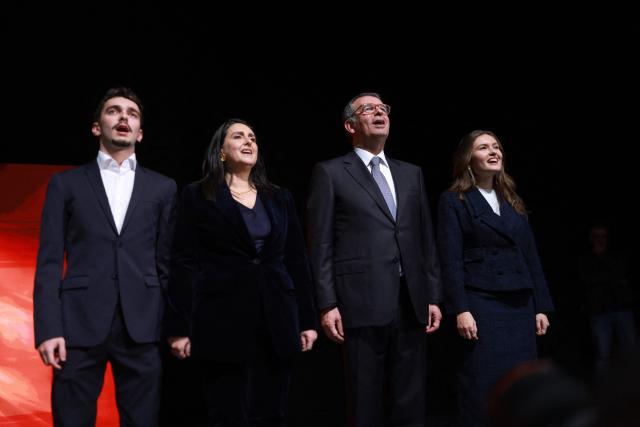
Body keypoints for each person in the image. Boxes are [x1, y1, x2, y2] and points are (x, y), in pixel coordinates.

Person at [33, 87, 177, 426]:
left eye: (132, 113)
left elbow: (167, 262)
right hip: (77, 325)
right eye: (114, 111)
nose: (123, 117)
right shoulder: (65, 184)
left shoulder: (163, 187)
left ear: (140, 133)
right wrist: (48, 328)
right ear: (97, 127)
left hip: (143, 324)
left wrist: (175, 325)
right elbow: (50, 261)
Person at [165, 118, 318, 426]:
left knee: (273, 412)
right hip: (221, 320)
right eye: (238, 137)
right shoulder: (197, 195)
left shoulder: (279, 197)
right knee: (227, 413)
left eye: (252, 137)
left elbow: (296, 260)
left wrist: (307, 320)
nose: (249, 142)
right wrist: (179, 327)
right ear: (221, 151)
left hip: (277, 317)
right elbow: (183, 262)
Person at [306, 92, 442, 427]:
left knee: (410, 397)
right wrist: (326, 303)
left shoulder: (411, 174)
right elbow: (320, 243)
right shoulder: (331, 172)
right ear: (350, 125)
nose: (379, 113)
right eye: (369, 109)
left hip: (410, 300)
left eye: (383, 108)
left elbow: (425, 239)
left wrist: (433, 295)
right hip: (359, 301)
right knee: (365, 397)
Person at [436, 129, 554, 427]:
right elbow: (450, 261)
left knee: (523, 382)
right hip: (482, 303)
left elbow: (531, 256)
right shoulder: (454, 201)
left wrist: (541, 305)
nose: (493, 151)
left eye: (497, 146)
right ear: (468, 158)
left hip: (519, 304)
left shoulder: (512, 200)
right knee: (482, 380)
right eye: (483, 147)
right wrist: (460, 309)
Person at [577, 223, 636, 372]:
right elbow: (587, 279)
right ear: (591, 239)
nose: (600, 240)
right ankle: (604, 391)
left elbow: (622, 273)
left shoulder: (617, 255)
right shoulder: (585, 258)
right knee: (603, 354)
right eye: (597, 236)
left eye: (603, 236)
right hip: (599, 312)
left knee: (631, 351)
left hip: (622, 309)